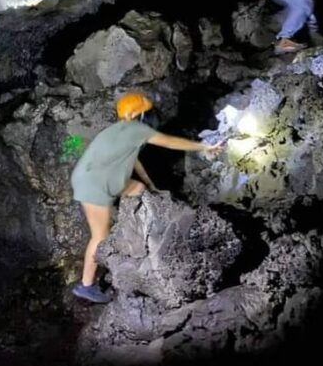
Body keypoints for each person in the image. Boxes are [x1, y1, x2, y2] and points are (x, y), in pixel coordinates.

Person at [70, 93, 224, 303]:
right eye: (148, 112)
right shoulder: (137, 129)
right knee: (99, 236)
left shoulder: (119, 130)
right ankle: (86, 286)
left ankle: (141, 228)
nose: (152, 116)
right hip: (95, 184)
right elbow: (170, 142)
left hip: (94, 175)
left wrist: (150, 185)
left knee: (138, 188)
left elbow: (132, 160)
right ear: (137, 115)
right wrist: (205, 147)